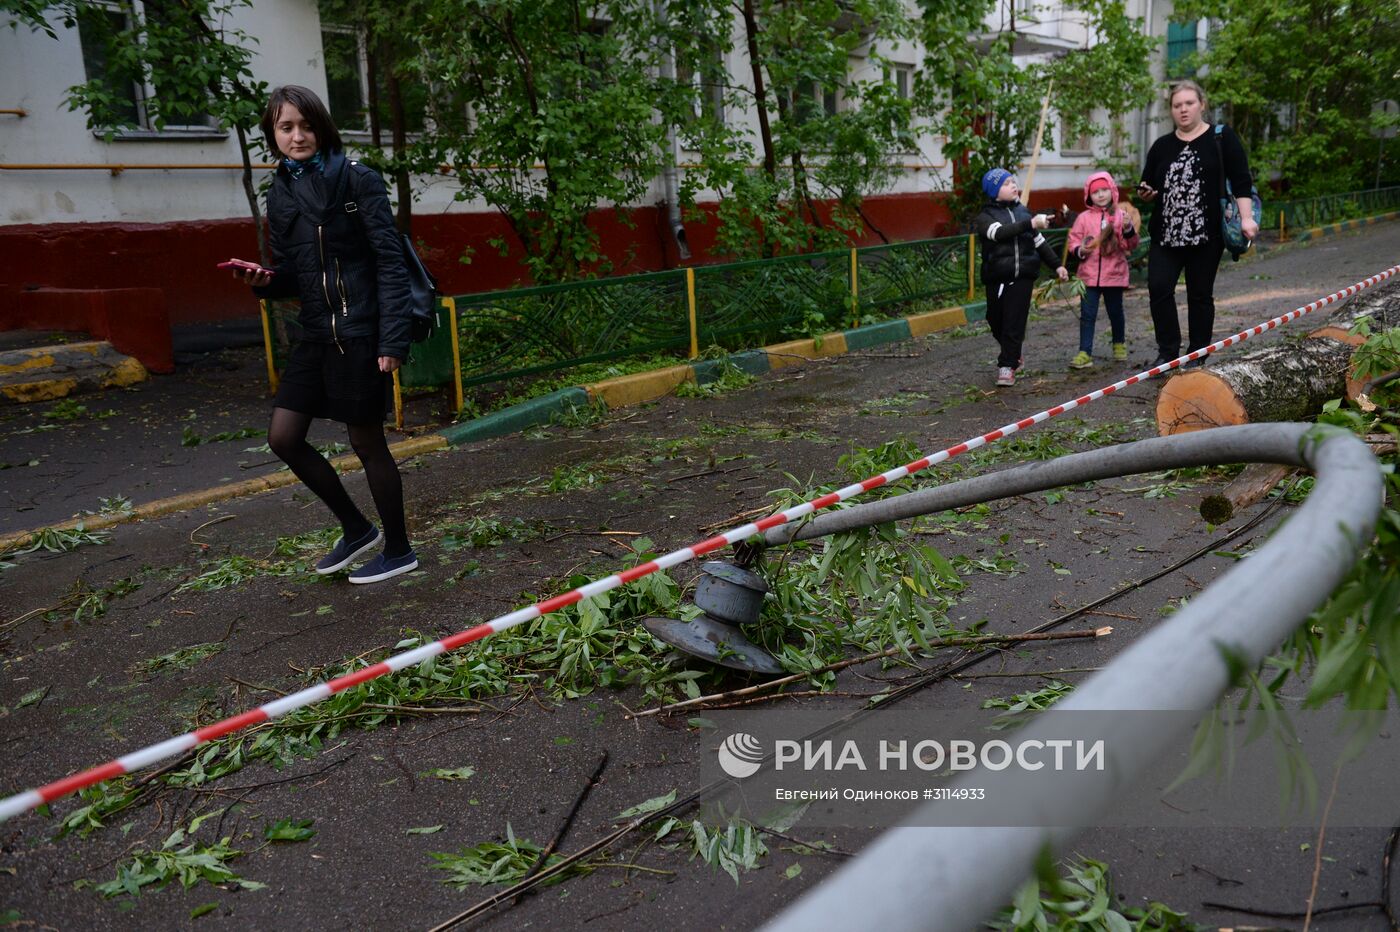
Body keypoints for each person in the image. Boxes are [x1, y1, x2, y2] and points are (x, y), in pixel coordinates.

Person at [224, 85, 418, 584]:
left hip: (360, 331)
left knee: (367, 442)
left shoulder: (358, 181)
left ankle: (398, 550)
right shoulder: (281, 191)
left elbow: (390, 262)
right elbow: (295, 272)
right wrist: (264, 282)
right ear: (272, 134)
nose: (297, 136)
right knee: (283, 437)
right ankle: (357, 530)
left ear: (321, 127)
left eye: (305, 125)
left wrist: (392, 340)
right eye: (285, 127)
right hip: (316, 333)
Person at [1137, 80, 1257, 367]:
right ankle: (1167, 352)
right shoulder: (1161, 146)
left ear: (1202, 104)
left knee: (1200, 294)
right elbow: (1147, 183)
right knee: (1159, 288)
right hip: (1166, 235)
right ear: (1171, 111)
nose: (1183, 109)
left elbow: (1241, 179)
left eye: (1189, 103)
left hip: (1207, 235)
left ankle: (1197, 353)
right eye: (1177, 105)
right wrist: (1146, 192)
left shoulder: (1221, 137)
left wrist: (1248, 217)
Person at [973, 167, 1069, 387]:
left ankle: (1007, 365)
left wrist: (1057, 266)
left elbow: (1039, 243)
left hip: (1023, 278)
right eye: (1006, 184)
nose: (1013, 185)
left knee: (1014, 322)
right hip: (997, 277)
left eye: (1012, 181)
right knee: (995, 319)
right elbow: (999, 233)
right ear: (994, 191)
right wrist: (1031, 223)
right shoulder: (985, 217)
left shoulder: (1024, 212)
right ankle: (1013, 351)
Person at [1066, 172, 1140, 369]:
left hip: (1113, 275)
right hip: (1088, 277)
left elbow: (1131, 245)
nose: (1100, 195)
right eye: (1095, 192)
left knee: (1115, 312)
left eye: (1104, 190)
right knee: (1087, 315)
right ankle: (1084, 352)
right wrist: (1079, 250)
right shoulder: (1083, 218)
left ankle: (1119, 344)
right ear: (1089, 195)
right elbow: (1073, 239)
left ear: (1112, 190)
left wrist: (1127, 228)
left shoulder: (1120, 216)